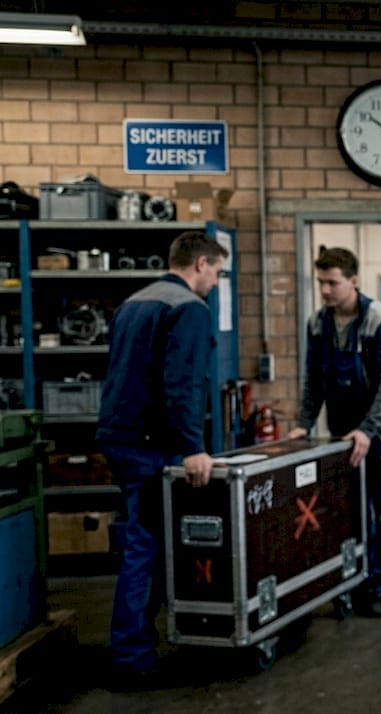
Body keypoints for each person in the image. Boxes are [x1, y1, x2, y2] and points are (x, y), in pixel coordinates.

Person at [97, 230, 228, 687]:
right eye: (216, 272)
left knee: (143, 539)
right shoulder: (189, 308)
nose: (215, 282)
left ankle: (144, 638)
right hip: (151, 445)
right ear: (200, 264)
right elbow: (182, 384)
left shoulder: (135, 302)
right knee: (145, 546)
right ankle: (131, 658)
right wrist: (193, 446)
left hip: (118, 437)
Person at [288, 246, 381, 618]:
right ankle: (359, 577)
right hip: (344, 435)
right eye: (321, 282)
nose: (325, 290)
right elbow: (314, 382)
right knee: (351, 512)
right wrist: (303, 424)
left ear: (353, 281)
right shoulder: (317, 324)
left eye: (332, 283)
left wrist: (368, 430)